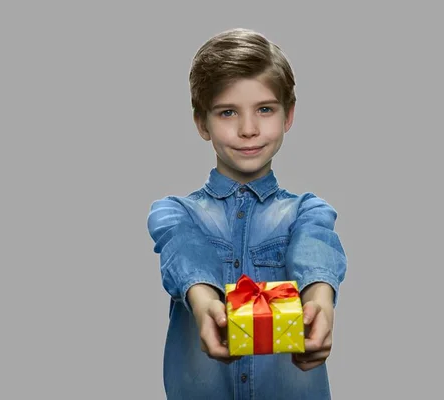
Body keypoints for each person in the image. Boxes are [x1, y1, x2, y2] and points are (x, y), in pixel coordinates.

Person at [146, 28, 347, 400]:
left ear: (289, 116)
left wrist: (319, 301)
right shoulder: (175, 212)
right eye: (227, 112)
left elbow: (316, 248)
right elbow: (185, 252)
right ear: (201, 123)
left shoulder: (308, 210)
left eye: (265, 109)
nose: (249, 129)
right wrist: (205, 303)